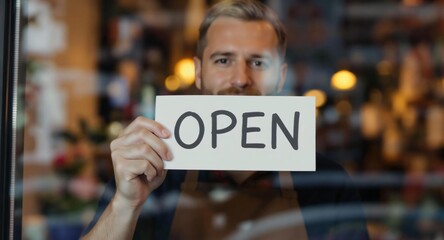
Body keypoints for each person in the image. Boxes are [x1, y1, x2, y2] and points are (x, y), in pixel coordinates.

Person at [82, 0, 369, 239]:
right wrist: (125, 204)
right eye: (223, 60)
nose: (241, 79)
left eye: (258, 62)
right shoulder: (155, 169)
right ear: (198, 73)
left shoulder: (326, 182)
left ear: (281, 78)